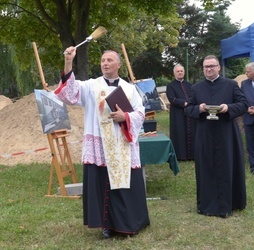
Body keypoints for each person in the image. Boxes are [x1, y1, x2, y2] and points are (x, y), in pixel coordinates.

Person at [55, 47, 149, 238]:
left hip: (122, 144)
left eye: (109, 60)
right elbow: (68, 93)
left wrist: (126, 116)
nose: (105, 63)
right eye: (103, 60)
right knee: (103, 184)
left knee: (124, 185)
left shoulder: (129, 88)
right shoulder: (91, 86)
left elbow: (140, 113)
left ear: (119, 65)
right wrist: (68, 61)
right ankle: (107, 225)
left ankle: (129, 223)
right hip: (100, 145)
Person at [185, 55, 248, 218]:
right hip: (205, 134)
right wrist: (199, 109)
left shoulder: (231, 85)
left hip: (226, 133)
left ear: (219, 67)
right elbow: (188, 109)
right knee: (206, 168)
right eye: (206, 67)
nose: (209, 69)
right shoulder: (196, 88)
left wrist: (228, 108)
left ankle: (231, 202)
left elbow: (243, 105)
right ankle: (207, 204)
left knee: (228, 165)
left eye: (212, 66)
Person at [166, 64, 195, 161]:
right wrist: (185, 103)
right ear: (174, 73)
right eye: (178, 71)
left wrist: (190, 103)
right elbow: (172, 99)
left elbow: (193, 96)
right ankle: (181, 156)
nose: (180, 73)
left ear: (184, 72)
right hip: (178, 114)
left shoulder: (189, 85)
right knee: (180, 133)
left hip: (190, 113)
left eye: (181, 71)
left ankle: (191, 155)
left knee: (191, 133)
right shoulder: (171, 85)